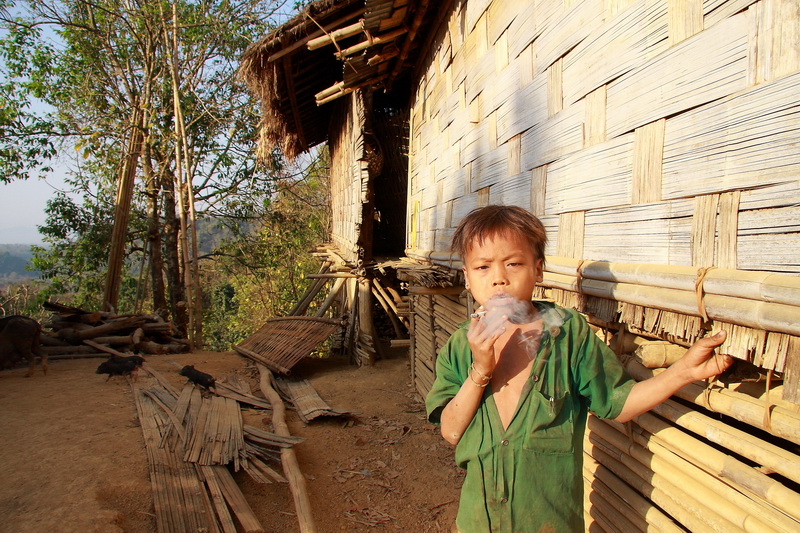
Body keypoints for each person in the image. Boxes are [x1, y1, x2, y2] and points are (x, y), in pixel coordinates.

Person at [425, 205, 733, 533]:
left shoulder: (567, 335)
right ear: (468, 277)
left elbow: (619, 403)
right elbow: (451, 432)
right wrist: (481, 370)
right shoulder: (461, 346)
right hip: (479, 522)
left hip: (551, 524)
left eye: (513, 263)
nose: (499, 278)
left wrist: (684, 371)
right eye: (483, 267)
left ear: (538, 270)